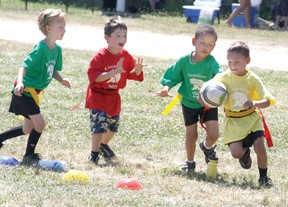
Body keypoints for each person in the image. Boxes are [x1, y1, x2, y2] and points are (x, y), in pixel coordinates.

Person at [0, 9, 71, 165]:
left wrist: (61, 80)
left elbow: (52, 71)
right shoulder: (40, 48)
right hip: (23, 92)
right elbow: (23, 66)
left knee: (27, 129)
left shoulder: (57, 50)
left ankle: (0, 139)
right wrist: (20, 82)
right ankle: (28, 156)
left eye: (64, 27)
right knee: (40, 124)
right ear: (48, 28)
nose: (63, 30)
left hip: (34, 94)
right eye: (60, 26)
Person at [156, 24, 222, 172]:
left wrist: (219, 81)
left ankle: (206, 147)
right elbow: (172, 77)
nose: (205, 47)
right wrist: (165, 89)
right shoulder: (185, 61)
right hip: (188, 103)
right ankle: (190, 162)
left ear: (214, 47)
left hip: (208, 104)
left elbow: (220, 74)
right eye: (202, 42)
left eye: (210, 45)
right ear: (194, 41)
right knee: (191, 136)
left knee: (214, 134)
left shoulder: (211, 62)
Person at [214, 41, 275, 187]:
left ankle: (264, 177)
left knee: (260, 146)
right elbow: (209, 90)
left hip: (252, 119)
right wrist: (204, 97)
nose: (233, 65)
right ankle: (244, 153)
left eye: (237, 61)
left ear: (247, 60)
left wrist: (255, 103)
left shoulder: (252, 79)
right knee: (236, 153)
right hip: (233, 121)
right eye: (229, 61)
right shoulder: (222, 78)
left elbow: (267, 100)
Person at [85, 16, 145, 165]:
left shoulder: (126, 56)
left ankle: (103, 145)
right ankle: (94, 154)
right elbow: (95, 78)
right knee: (99, 126)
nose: (122, 38)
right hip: (98, 96)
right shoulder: (100, 56)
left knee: (112, 127)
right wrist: (113, 72)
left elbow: (130, 75)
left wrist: (137, 71)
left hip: (113, 97)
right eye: (118, 35)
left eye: (124, 35)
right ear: (107, 38)